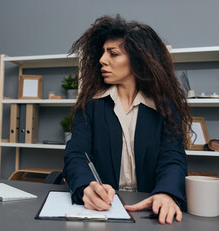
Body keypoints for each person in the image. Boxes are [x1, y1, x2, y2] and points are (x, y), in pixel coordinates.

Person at [63, 14, 192, 225]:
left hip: (149, 211)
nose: (102, 60)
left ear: (138, 60)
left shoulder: (164, 108)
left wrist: (166, 194)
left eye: (113, 53)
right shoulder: (91, 105)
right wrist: (86, 186)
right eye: (103, 52)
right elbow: (76, 153)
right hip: (104, 212)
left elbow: (173, 156)